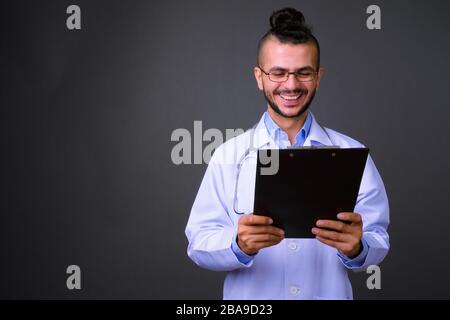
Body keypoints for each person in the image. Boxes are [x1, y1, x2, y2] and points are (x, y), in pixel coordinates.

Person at [185, 7, 389, 300]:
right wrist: (237, 244)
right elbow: (198, 243)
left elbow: (379, 238)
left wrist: (358, 248)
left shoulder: (351, 153)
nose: (291, 85)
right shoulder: (228, 155)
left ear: (318, 77)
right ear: (259, 76)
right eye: (278, 73)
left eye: (303, 73)